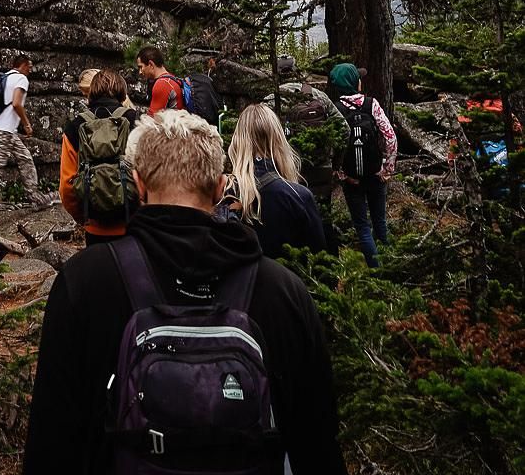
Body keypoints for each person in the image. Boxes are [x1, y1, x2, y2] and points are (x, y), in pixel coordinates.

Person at [24, 110, 346, 475]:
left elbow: (51, 442)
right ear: (221, 186)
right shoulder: (283, 291)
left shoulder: (85, 282)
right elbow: (317, 442)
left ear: (138, 184)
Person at [264, 53, 347, 249]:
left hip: (289, 171)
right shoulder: (318, 95)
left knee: (292, 218)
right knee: (323, 218)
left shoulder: (272, 100)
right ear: (295, 69)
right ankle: (330, 267)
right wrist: (336, 163)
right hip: (322, 168)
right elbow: (344, 129)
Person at [227, 102, 327, 258]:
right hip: (289, 281)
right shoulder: (298, 196)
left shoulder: (224, 195)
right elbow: (320, 265)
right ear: (278, 139)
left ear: (238, 142)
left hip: (240, 282)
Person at [329, 62, 397, 268]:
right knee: (380, 222)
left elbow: (333, 146)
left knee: (362, 227)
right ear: (353, 82)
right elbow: (390, 136)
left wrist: (342, 175)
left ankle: (375, 272)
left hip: (352, 179)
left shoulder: (335, 109)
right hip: (375, 174)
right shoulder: (371, 104)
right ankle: (391, 267)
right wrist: (387, 169)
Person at [59, 69, 138, 242]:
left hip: (94, 227)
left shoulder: (75, 127)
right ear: (122, 93)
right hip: (132, 224)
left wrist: (84, 217)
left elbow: (66, 187)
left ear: (90, 94)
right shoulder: (137, 122)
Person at [0, 54, 46, 205]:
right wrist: (26, 124)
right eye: (29, 67)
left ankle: (34, 197)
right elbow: (17, 103)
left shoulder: (2, 78)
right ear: (23, 65)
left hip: (0, 128)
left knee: (25, 158)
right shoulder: (21, 79)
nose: (30, 70)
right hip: (4, 130)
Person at [136, 46, 184, 113]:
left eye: (141, 67)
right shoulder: (171, 79)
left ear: (150, 64)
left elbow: (152, 119)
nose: (140, 72)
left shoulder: (162, 84)